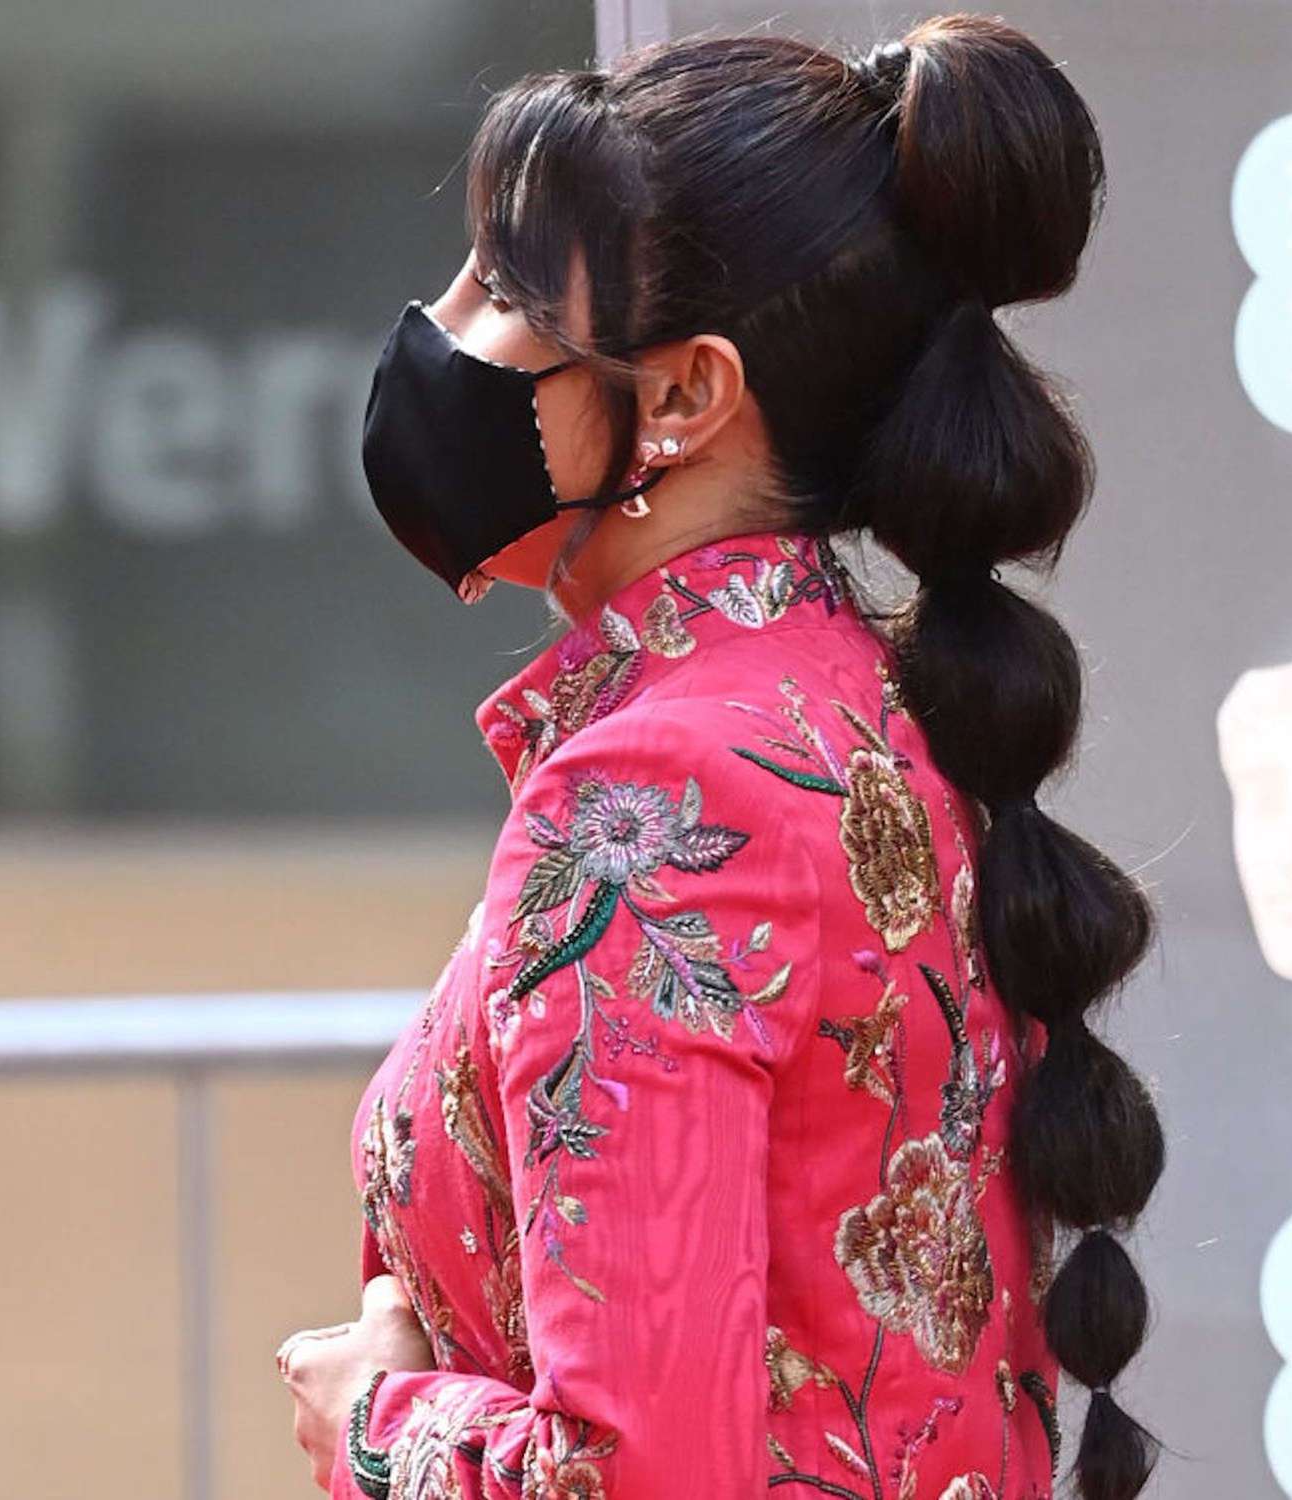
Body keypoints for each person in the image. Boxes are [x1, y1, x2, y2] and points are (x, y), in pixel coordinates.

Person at [275, 15, 1168, 1499]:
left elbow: (634, 1477)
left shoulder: (655, 798)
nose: (440, 326)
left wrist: (381, 1420)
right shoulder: (878, 716)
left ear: (683, 397)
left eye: (501, 289)